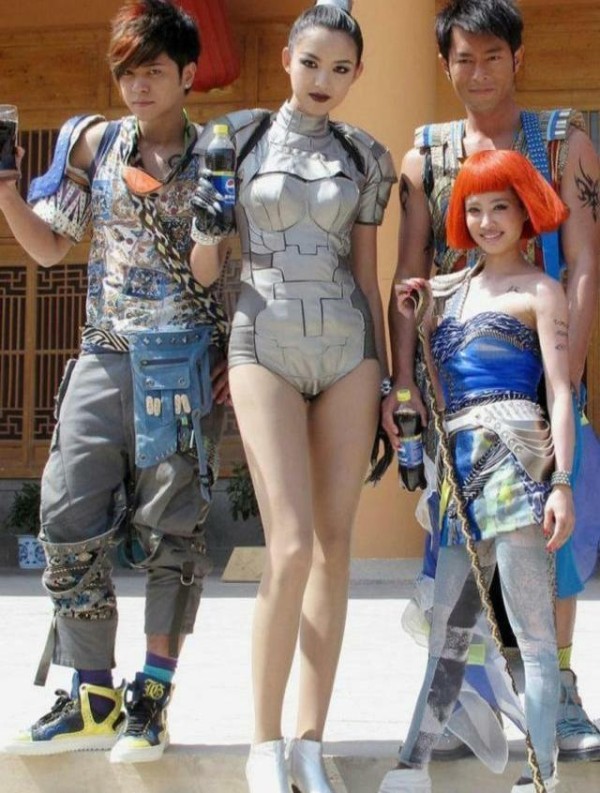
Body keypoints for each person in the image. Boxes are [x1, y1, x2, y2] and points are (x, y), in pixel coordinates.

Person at [0, 0, 229, 764]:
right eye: (127, 72)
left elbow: (216, 272)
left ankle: (152, 695)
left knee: (174, 531)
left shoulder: (218, 156)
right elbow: (49, 249)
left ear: (187, 74)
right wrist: (6, 190)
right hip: (103, 353)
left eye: (153, 71)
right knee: (65, 513)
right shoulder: (93, 143)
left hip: (184, 361)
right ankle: (92, 691)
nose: (138, 86)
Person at [381, 0, 600, 764]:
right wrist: (404, 386)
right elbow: (410, 272)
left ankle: (558, 691)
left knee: (552, 541)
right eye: (463, 59)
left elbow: (584, 259)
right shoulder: (425, 157)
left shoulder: (562, 139)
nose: (478, 72)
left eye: (492, 56)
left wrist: (564, 371)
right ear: (444, 64)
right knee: (455, 547)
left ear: (519, 58)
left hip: (540, 370)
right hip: (459, 388)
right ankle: (461, 704)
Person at [190, 1, 396, 790]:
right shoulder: (232, 138)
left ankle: (310, 741)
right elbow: (206, 269)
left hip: (347, 349)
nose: (323, 80)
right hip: (262, 338)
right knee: (291, 545)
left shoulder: (366, 154)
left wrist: (388, 380)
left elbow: (367, 276)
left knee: (336, 546)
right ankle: (263, 741)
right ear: (286, 58)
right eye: (311, 62)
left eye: (340, 69)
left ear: (357, 75)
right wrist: (207, 227)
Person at [380, 149, 574, 793]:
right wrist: (415, 309)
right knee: (450, 632)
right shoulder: (446, 290)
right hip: (457, 473)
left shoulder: (542, 292)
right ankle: (411, 765)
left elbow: (561, 391)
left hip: (518, 462)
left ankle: (540, 774)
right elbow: (432, 381)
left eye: (500, 208)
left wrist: (562, 483)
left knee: (533, 635)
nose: (487, 222)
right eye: (474, 209)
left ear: (525, 213)